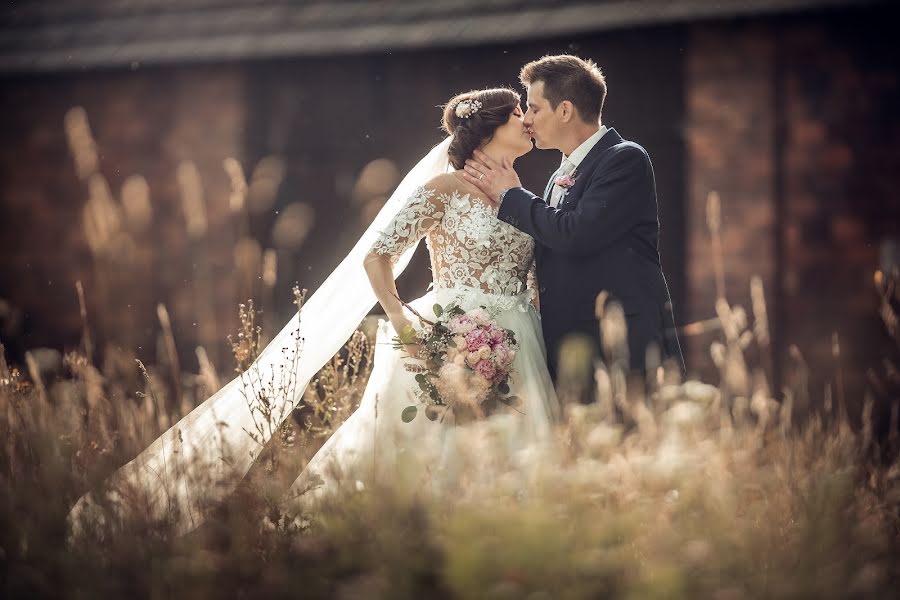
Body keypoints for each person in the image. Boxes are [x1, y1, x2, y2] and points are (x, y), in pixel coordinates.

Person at [68, 88, 559, 538]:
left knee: (517, 448)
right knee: (435, 452)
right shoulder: (444, 189)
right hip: (448, 333)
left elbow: (534, 276)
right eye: (518, 114)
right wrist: (405, 321)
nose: (528, 120)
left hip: (518, 340)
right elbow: (378, 254)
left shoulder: (528, 197)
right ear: (488, 128)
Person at [463, 55, 685, 387]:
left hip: (624, 346)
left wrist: (511, 194)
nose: (527, 121)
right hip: (571, 347)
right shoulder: (558, 175)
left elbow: (576, 234)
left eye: (535, 109)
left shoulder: (625, 159)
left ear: (565, 111)